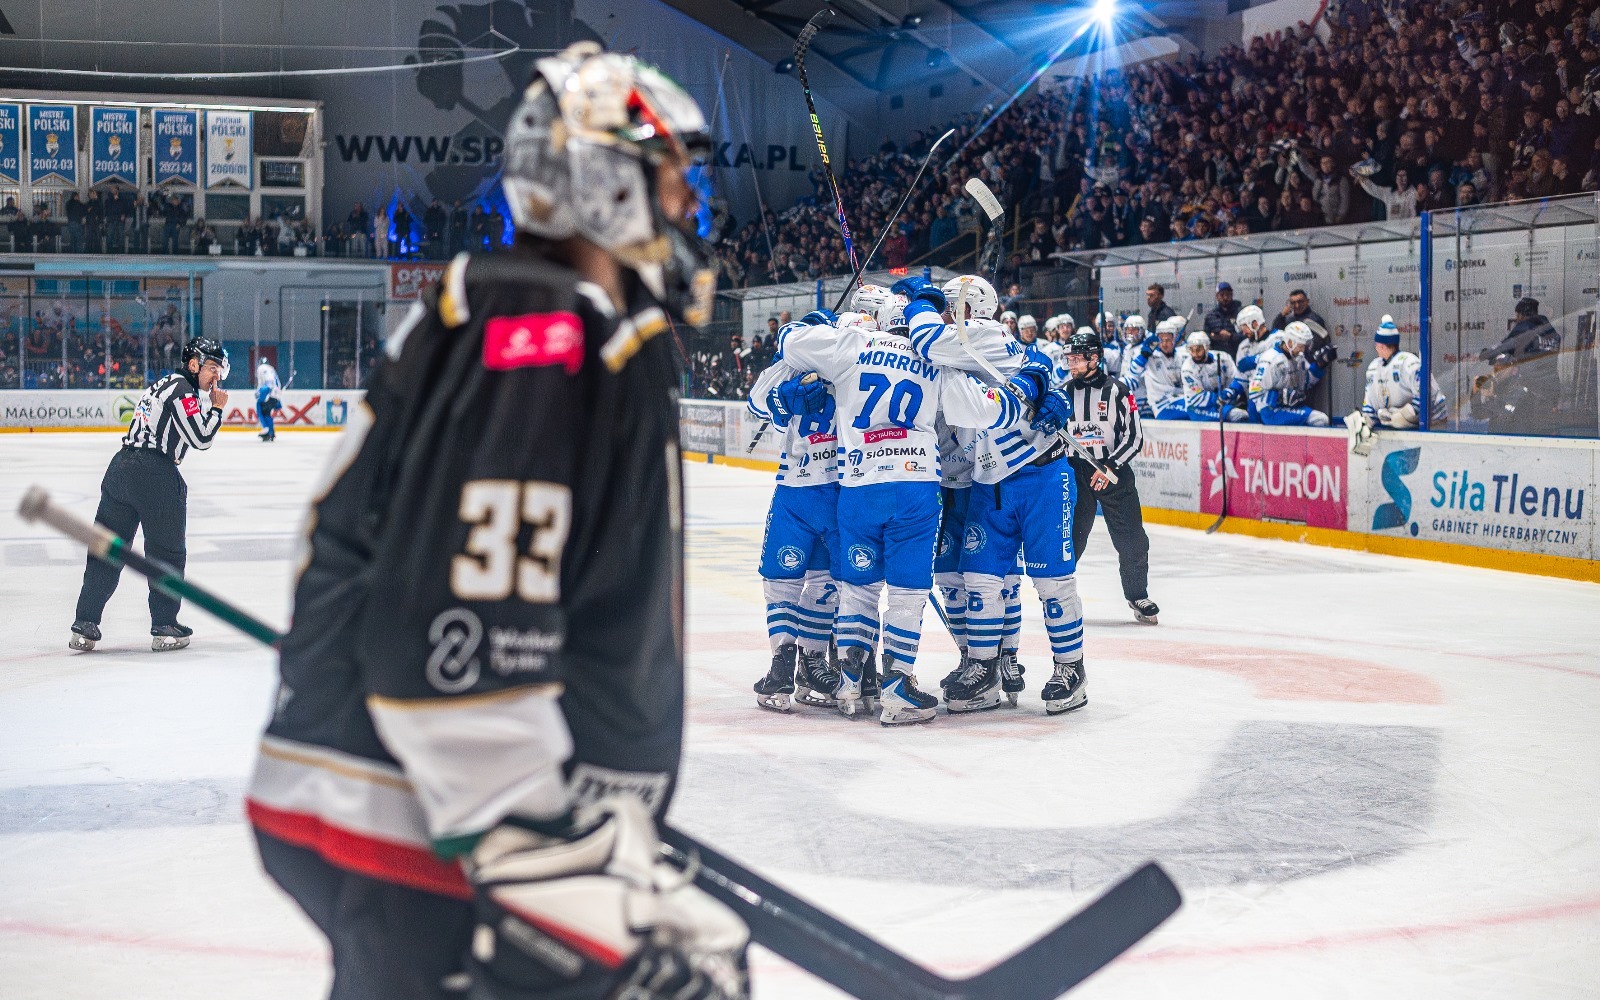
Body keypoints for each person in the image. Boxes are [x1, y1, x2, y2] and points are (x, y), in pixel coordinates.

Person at [244, 42, 749, 1000]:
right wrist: (535, 856)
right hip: (424, 820)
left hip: (424, 802)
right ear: (601, 176)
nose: (689, 200)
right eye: (673, 172)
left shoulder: (529, 309)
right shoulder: (547, 323)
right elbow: (465, 622)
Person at [779, 280, 1040, 724]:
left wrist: (812, 327)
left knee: (857, 588)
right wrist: (1028, 395)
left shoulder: (852, 343)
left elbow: (789, 344)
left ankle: (849, 685)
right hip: (915, 486)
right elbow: (982, 412)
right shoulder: (932, 357)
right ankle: (898, 687)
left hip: (858, 485)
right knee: (908, 589)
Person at [68, 338, 229, 653]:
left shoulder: (164, 384)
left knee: (107, 550)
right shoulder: (184, 390)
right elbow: (202, 437)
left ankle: (84, 625)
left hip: (120, 469)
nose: (216, 377)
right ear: (193, 364)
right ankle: (165, 626)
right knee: (167, 554)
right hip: (154, 474)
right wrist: (218, 408)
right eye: (212, 368)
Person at [746, 310, 846, 713]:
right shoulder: (789, 361)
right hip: (795, 489)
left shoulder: (848, 357)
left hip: (839, 488)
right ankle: (783, 660)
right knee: (781, 578)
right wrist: (778, 400)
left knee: (828, 579)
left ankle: (812, 659)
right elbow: (756, 401)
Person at [1043, 330, 1159, 625]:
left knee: (1132, 539)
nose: (1071, 364)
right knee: (1071, 539)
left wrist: (1110, 467)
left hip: (1113, 472)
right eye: (1069, 358)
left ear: (1095, 358)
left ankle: (1137, 594)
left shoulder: (1119, 391)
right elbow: (1050, 437)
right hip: (1077, 473)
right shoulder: (1063, 393)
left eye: (1077, 358)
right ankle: (1058, 595)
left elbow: (1134, 437)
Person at [1478, 297, 1561, 411]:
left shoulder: (1526, 327)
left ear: (1522, 315)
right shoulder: (1549, 330)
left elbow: (1506, 346)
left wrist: (1486, 354)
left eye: (1517, 316)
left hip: (1532, 391)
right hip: (1552, 389)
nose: (1516, 319)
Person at [1360, 315, 1444, 429]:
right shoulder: (1373, 368)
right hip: (1397, 430)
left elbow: (1425, 397)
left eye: (1377, 345)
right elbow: (1370, 405)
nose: (1376, 348)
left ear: (1382, 346)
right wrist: (1365, 422)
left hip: (1433, 426)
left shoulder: (1409, 363)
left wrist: (1402, 415)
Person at [1248, 322, 1331, 426]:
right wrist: (1280, 395)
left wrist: (1320, 364)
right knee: (1319, 419)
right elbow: (1254, 392)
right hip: (1271, 412)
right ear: (1290, 342)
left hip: (1289, 407)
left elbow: (1305, 383)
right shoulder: (1270, 359)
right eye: (1301, 346)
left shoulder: (1298, 359)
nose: (1303, 350)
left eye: (1305, 347)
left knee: (1321, 419)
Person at [1128, 316, 1189, 420]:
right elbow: (1133, 372)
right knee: (1194, 412)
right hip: (1163, 405)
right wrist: (1143, 356)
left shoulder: (1181, 355)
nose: (1164, 344)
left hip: (1182, 400)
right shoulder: (1150, 356)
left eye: (1168, 340)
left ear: (1174, 339)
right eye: (1161, 340)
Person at [1181, 331, 1247, 422]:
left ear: (1206, 347)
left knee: (1246, 413)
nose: (1195, 354)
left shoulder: (1223, 357)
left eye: (1198, 350)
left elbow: (1237, 378)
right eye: (1192, 350)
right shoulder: (1187, 368)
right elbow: (1197, 396)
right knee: (1238, 415)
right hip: (1199, 407)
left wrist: (1231, 391)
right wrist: (1219, 397)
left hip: (1224, 403)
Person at [1470, 351, 1539, 434]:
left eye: (1503, 366)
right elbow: (1478, 414)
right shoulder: (1498, 391)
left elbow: (1503, 418)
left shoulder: (1522, 392)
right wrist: (1476, 391)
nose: (1497, 370)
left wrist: (1493, 396)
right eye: (1496, 366)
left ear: (1514, 370)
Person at [1202, 281, 1242, 355]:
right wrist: (1212, 337)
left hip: (1236, 355)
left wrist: (1230, 336)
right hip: (1217, 357)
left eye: (1228, 294)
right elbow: (1204, 337)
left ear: (1232, 295)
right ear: (1217, 296)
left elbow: (1246, 336)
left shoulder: (1240, 314)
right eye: (1222, 295)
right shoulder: (1210, 316)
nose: (1225, 298)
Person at [254, 356, 283, 441]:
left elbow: (262, 383)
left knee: (260, 407)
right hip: (276, 394)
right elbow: (277, 383)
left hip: (268, 391)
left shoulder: (260, 368)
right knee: (267, 412)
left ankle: (266, 429)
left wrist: (258, 392)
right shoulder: (271, 368)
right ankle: (271, 433)